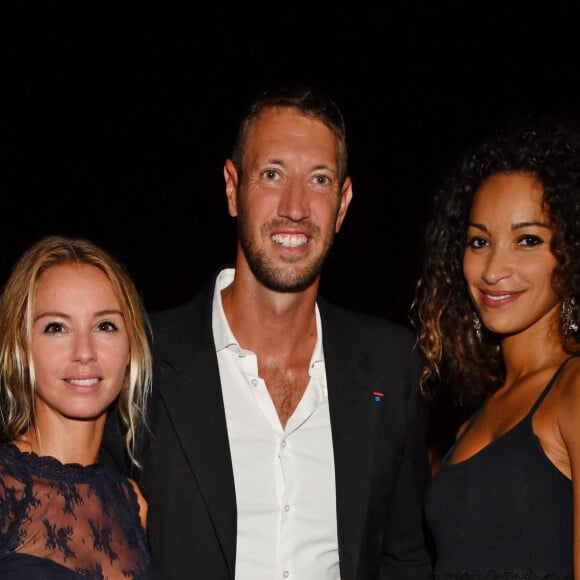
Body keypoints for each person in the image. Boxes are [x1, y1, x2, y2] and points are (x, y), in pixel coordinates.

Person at [102, 85, 433, 579]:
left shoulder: (391, 365)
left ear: (342, 203)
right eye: (273, 174)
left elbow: (403, 558)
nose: (295, 207)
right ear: (233, 188)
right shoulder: (140, 358)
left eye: (318, 180)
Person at [410, 113, 580, 578]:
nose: (494, 269)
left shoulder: (573, 390)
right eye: (479, 241)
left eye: (527, 240)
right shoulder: (473, 420)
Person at [0, 235, 155, 579]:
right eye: (56, 327)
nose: (84, 351)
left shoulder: (132, 507)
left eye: (105, 326)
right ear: (21, 347)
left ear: (130, 348)